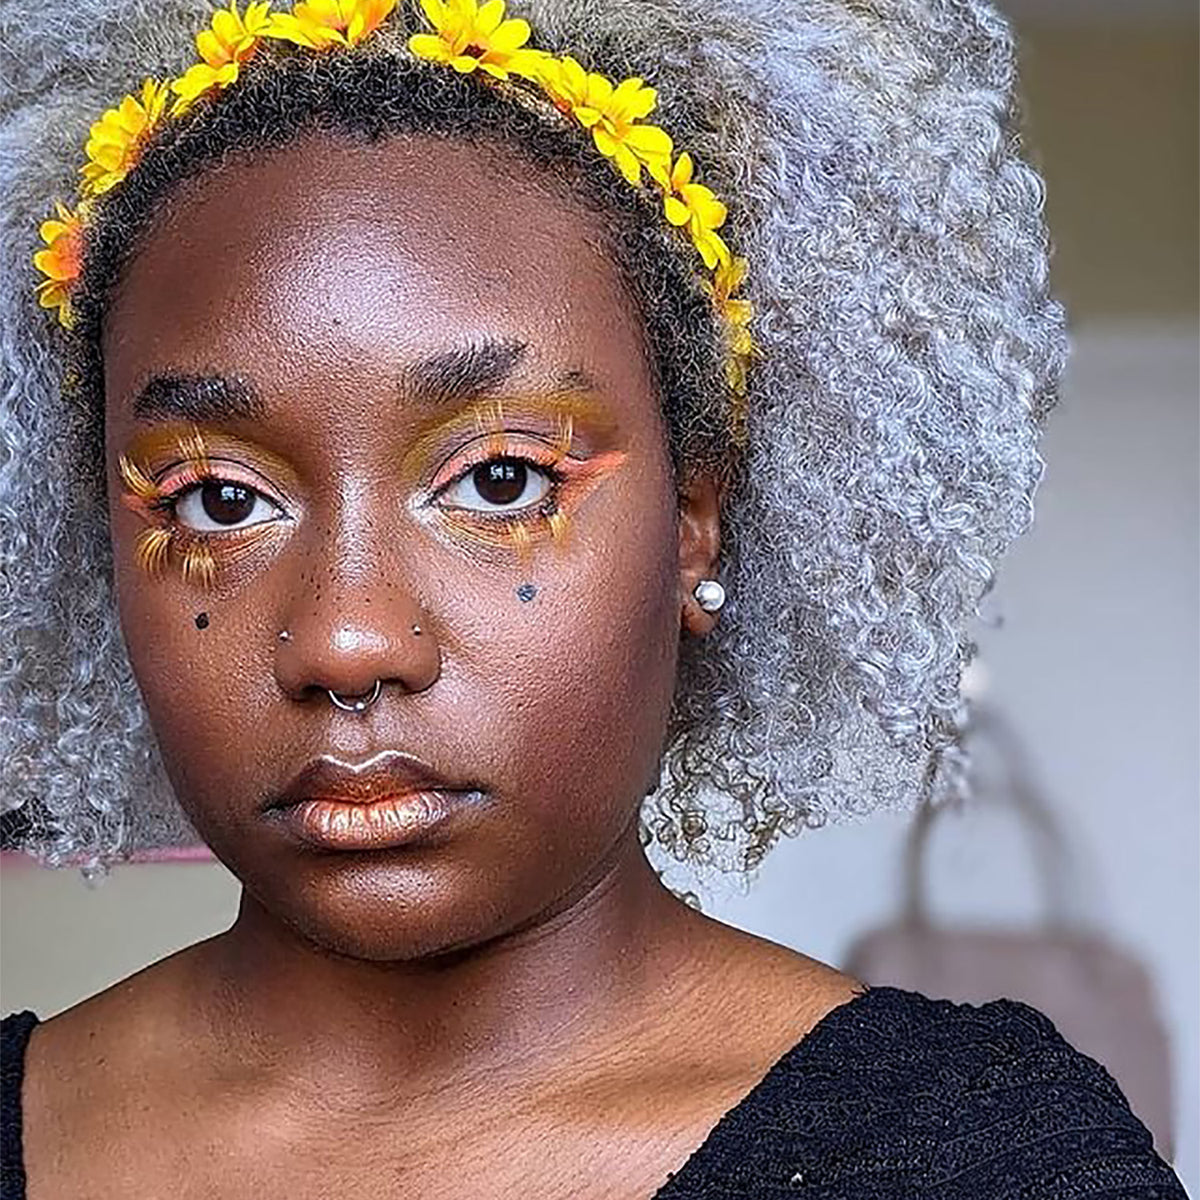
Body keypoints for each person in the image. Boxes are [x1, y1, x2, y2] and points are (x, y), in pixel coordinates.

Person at [0, 0, 1186, 1195]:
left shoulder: (981, 1164)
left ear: (692, 523)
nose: (350, 641)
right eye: (216, 502)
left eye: (502, 480)